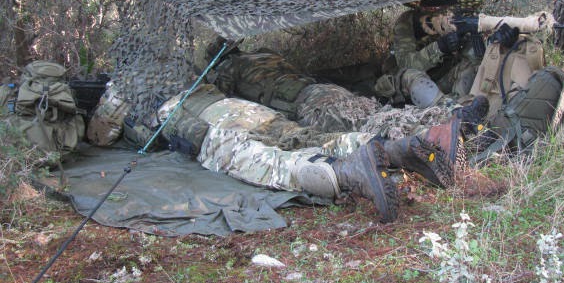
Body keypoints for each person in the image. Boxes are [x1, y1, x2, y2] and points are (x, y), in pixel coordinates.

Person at [156, 83, 489, 223]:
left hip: (217, 130)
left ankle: (346, 173)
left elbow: (107, 130)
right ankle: (399, 149)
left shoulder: (151, 102)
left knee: (268, 162)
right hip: (253, 112)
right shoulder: (201, 86)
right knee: (313, 137)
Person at [197, 37, 380, 133]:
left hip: (306, 106)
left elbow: (222, 102)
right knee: (375, 117)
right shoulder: (264, 54)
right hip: (321, 89)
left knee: (360, 133)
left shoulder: (228, 67)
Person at [375, 0, 482, 109]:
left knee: (470, 66)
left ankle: (461, 106)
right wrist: (440, 47)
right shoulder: (407, 22)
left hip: (442, 79)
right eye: (435, 10)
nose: (443, 14)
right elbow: (406, 65)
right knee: (410, 76)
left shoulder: (457, 17)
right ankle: (448, 110)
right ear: (422, 8)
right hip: (413, 85)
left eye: (447, 9)